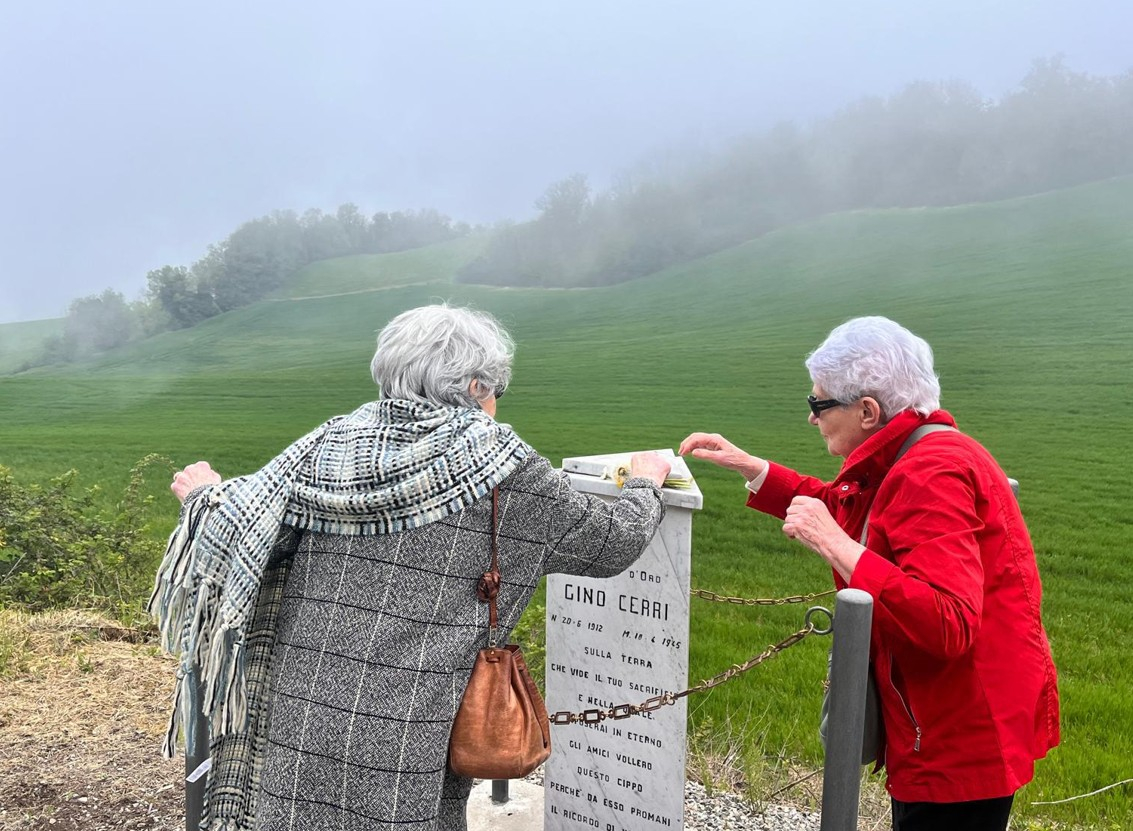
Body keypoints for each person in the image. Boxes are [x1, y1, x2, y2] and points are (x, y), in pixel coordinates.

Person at [152, 303, 671, 831]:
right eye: (494, 389)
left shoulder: (328, 445)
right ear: (473, 386)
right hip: (415, 719)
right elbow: (611, 542)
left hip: (302, 701)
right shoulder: (502, 466)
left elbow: (251, 526)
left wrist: (204, 496)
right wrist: (647, 482)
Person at [679, 316, 1058, 831]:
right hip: (952, 716)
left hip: (958, 738)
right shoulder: (919, 451)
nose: (811, 418)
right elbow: (852, 505)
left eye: (818, 403)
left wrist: (834, 545)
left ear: (867, 410)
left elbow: (949, 622)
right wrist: (754, 469)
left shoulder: (932, 472)